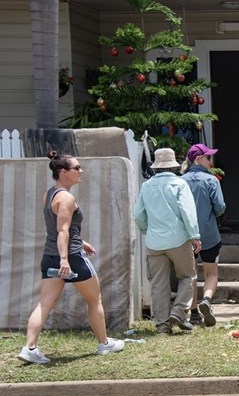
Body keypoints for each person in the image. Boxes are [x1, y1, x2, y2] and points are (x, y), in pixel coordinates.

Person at [18, 151, 125, 364]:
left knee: (44, 303)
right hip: (71, 257)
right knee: (95, 299)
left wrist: (81, 240)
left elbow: (59, 228)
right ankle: (104, 344)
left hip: (50, 256)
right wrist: (65, 259)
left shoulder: (50, 194)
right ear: (63, 172)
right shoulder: (66, 197)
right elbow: (62, 231)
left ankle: (29, 347)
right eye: (77, 168)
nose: (81, 171)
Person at [134, 148, 202, 334]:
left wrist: (147, 231)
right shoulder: (179, 184)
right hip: (179, 239)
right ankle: (179, 312)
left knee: (158, 284)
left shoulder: (146, 186)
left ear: (156, 167)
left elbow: (139, 215)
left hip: (154, 242)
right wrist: (194, 236)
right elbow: (188, 213)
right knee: (188, 276)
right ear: (173, 166)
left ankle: (162, 326)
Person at [181, 144, 226, 327]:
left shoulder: (180, 181)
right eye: (208, 157)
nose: (211, 161)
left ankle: (193, 314)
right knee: (211, 273)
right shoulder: (211, 180)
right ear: (198, 159)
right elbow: (220, 207)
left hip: (186, 236)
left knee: (190, 275)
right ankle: (206, 300)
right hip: (208, 234)